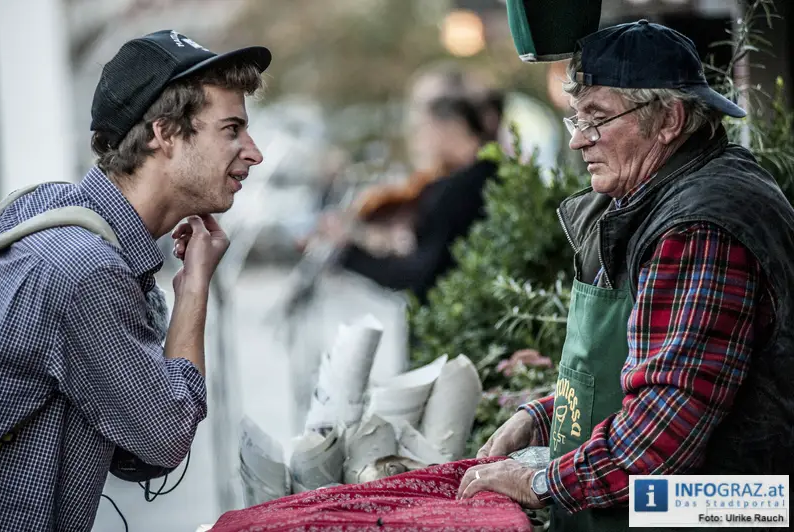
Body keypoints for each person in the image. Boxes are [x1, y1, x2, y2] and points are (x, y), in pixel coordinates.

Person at [458, 19, 794, 531]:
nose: (578, 141)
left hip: (722, 510)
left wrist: (540, 482)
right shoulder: (667, 196)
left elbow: (667, 426)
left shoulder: (700, 225)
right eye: (576, 119)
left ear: (669, 120)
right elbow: (650, 366)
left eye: (597, 117)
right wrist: (545, 417)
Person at [0, 30, 269, 531]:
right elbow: (161, 437)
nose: (254, 153)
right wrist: (193, 291)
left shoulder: (45, 207)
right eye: (231, 129)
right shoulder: (86, 270)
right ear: (164, 134)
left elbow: (124, 444)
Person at [313, 92, 502, 303]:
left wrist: (349, 252)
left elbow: (419, 274)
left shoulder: (460, 191)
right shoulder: (490, 173)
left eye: (422, 129)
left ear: (452, 127)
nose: (417, 142)